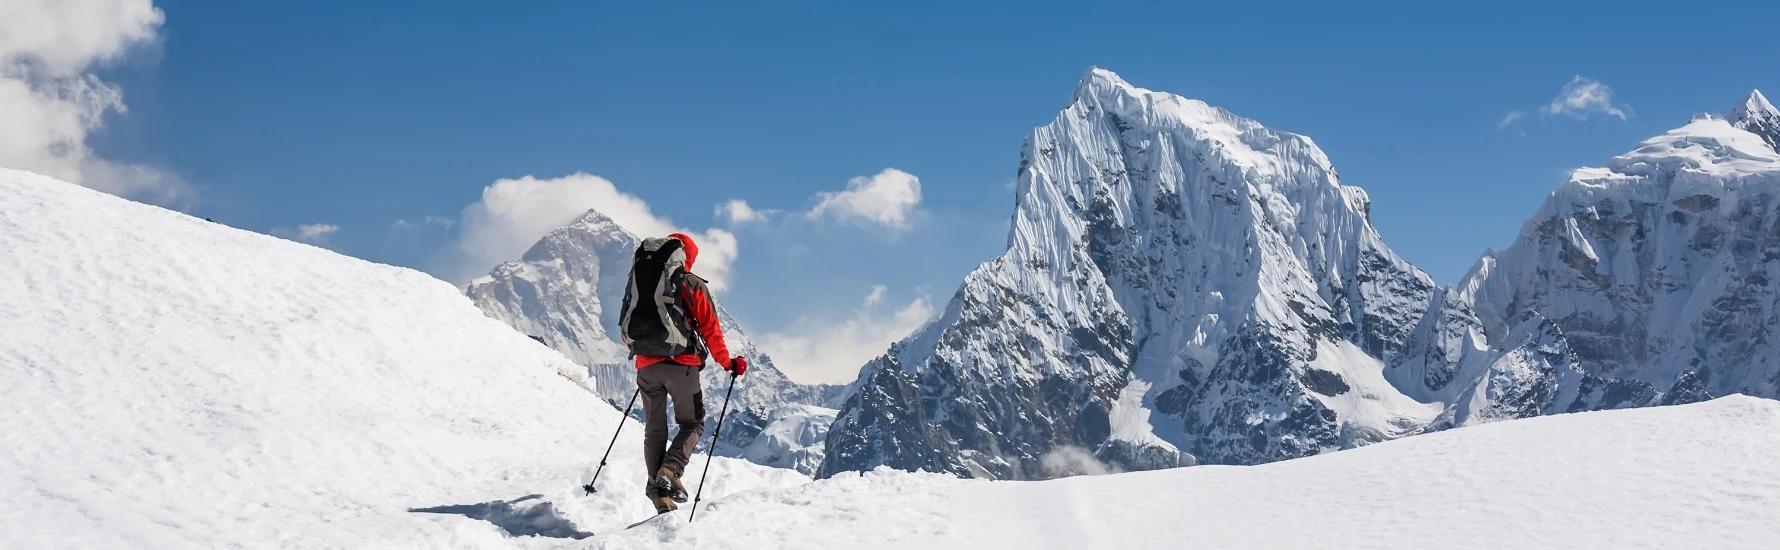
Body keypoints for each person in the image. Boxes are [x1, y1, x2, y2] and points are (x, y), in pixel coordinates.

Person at [631, 232, 748, 513]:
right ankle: (670, 471)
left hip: (646, 366)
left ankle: (656, 490)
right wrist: (728, 363)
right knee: (692, 423)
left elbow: (627, 325)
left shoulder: (640, 283)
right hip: (681, 366)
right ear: (688, 257)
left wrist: (648, 351)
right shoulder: (691, 284)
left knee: (654, 430)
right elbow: (711, 330)